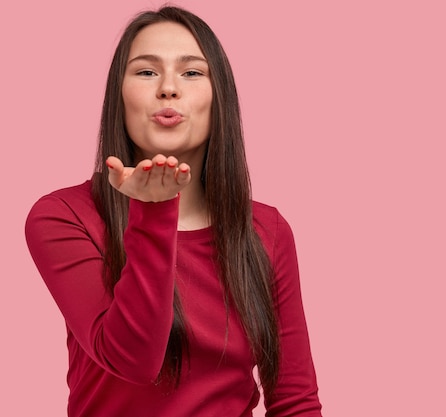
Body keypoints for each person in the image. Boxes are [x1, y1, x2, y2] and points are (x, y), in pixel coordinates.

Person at [25, 6, 322, 417]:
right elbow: (134, 361)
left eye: (192, 73)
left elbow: (295, 401)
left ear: (220, 97)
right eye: (146, 72)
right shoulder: (63, 215)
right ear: (119, 94)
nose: (168, 88)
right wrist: (155, 209)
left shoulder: (267, 230)